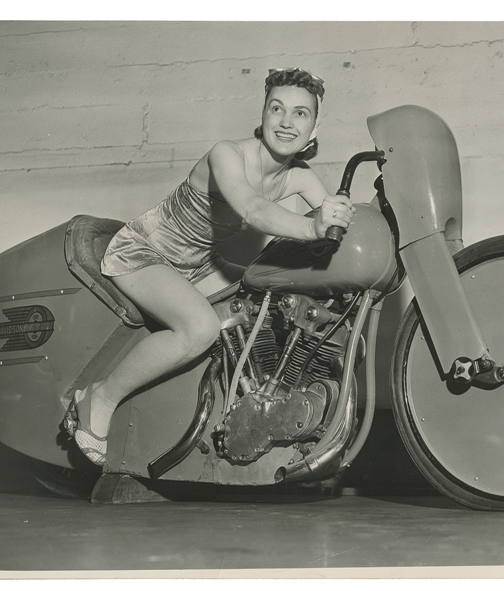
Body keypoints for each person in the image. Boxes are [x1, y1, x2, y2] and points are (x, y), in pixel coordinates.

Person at [67, 68, 355, 465]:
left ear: (314, 127)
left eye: (301, 114)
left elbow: (331, 222)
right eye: (277, 109)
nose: (287, 122)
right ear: (264, 114)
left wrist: (349, 222)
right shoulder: (228, 154)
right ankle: (99, 398)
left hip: (198, 264)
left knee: (260, 304)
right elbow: (253, 210)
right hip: (143, 252)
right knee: (200, 328)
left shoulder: (299, 177)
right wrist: (313, 225)